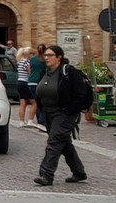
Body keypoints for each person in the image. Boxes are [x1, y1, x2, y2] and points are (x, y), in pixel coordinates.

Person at [33, 45, 89, 186]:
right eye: (45, 55)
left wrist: (70, 109)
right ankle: (79, 172)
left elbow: (80, 94)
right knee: (64, 143)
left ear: (59, 57)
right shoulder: (45, 72)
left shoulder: (68, 72)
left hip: (64, 113)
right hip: (48, 112)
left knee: (54, 142)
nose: (46, 58)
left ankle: (46, 174)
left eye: (50, 55)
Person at [28, 43, 48, 130]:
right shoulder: (45, 60)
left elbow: (30, 68)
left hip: (31, 81)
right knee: (43, 103)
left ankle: (40, 121)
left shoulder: (32, 59)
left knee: (37, 102)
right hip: (40, 82)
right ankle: (41, 121)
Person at [15, 47, 36, 127]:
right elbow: (30, 72)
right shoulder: (27, 62)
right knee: (34, 102)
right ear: (29, 54)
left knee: (23, 103)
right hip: (25, 83)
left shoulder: (20, 61)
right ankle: (30, 120)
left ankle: (21, 121)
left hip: (19, 82)